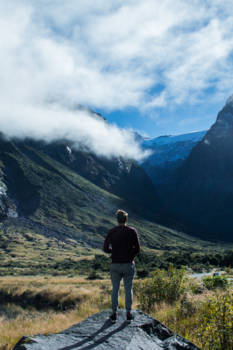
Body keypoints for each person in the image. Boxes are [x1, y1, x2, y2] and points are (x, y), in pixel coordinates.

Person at [103, 209, 140, 323]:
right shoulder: (132, 231)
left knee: (115, 289)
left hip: (115, 264)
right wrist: (130, 255)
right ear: (126, 219)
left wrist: (113, 252)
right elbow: (137, 249)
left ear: (117, 220)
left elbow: (105, 248)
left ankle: (114, 313)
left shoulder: (112, 231)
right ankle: (128, 313)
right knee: (128, 288)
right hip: (128, 264)